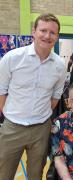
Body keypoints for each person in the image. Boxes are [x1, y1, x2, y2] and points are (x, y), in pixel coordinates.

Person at [0, 13, 67, 180]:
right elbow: (1, 90)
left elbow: (56, 95)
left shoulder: (60, 65)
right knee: (4, 173)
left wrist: (39, 114)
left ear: (57, 37)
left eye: (52, 32)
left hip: (41, 129)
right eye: (43, 30)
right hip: (12, 128)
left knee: (36, 174)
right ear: (34, 32)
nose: (47, 36)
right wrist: (12, 113)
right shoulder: (12, 58)